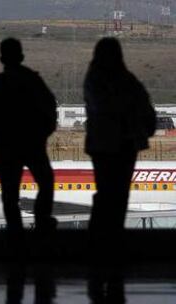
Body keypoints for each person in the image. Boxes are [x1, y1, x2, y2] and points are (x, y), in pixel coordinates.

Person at [0, 38, 57, 251]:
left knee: (10, 195)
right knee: (46, 183)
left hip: (7, 148)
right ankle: (42, 223)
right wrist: (41, 135)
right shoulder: (33, 81)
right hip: (32, 145)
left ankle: (15, 233)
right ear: (21, 57)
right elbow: (51, 111)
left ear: (2, 58)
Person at [84, 38, 156, 248]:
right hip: (122, 144)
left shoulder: (94, 79)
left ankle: (101, 241)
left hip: (105, 145)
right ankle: (109, 241)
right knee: (116, 195)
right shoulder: (127, 80)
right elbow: (144, 108)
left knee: (108, 194)